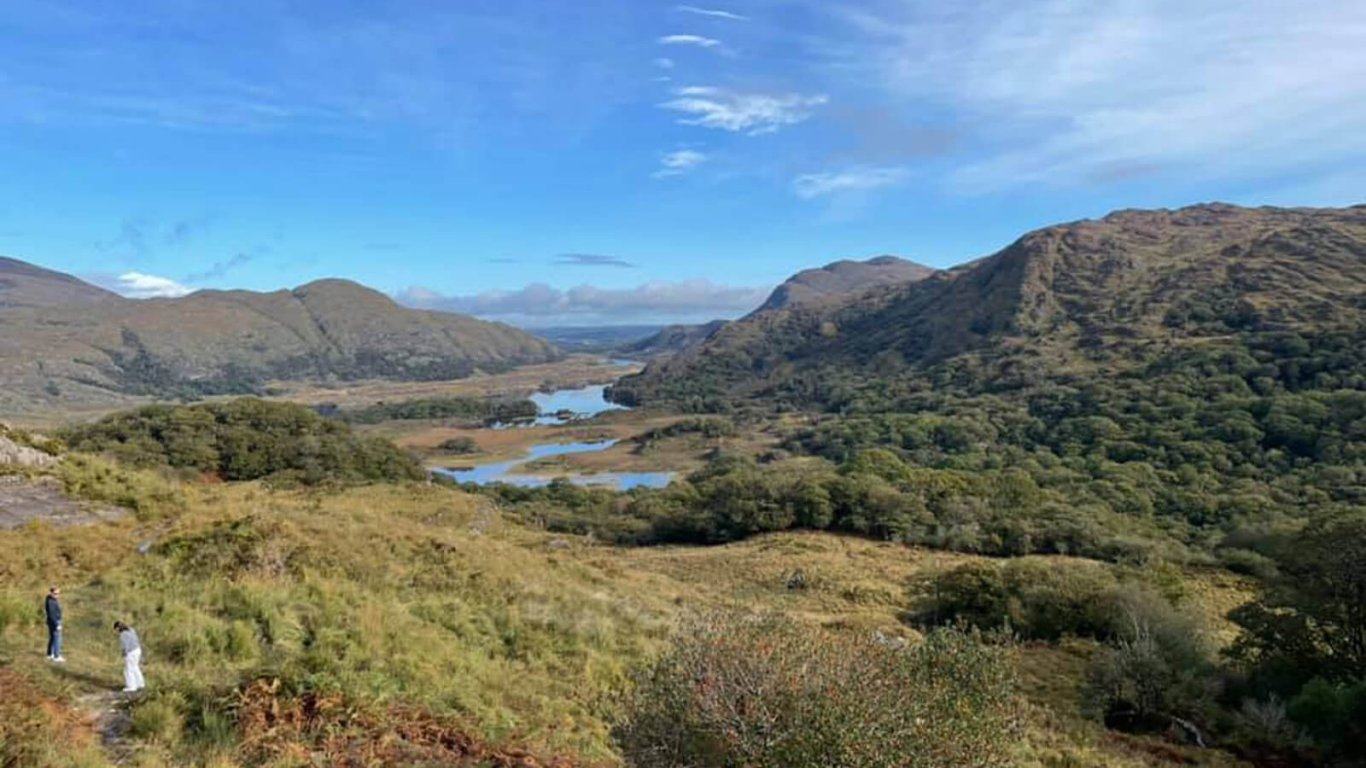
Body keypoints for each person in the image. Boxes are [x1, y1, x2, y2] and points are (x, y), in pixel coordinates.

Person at [114, 621, 144, 692]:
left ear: (118, 628)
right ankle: (140, 684)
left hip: (131, 652)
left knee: (128, 669)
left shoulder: (123, 635)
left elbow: (125, 646)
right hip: (137, 650)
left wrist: (124, 654)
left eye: (116, 629)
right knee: (135, 667)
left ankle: (131, 686)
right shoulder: (131, 629)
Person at [44, 586, 64, 663]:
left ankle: (49, 654)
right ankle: (57, 656)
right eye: (55, 594)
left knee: (52, 637)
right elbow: (52, 614)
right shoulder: (51, 602)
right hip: (54, 622)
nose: (57, 595)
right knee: (57, 639)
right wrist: (57, 624)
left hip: (51, 622)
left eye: (58, 593)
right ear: (51, 593)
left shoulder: (51, 599)